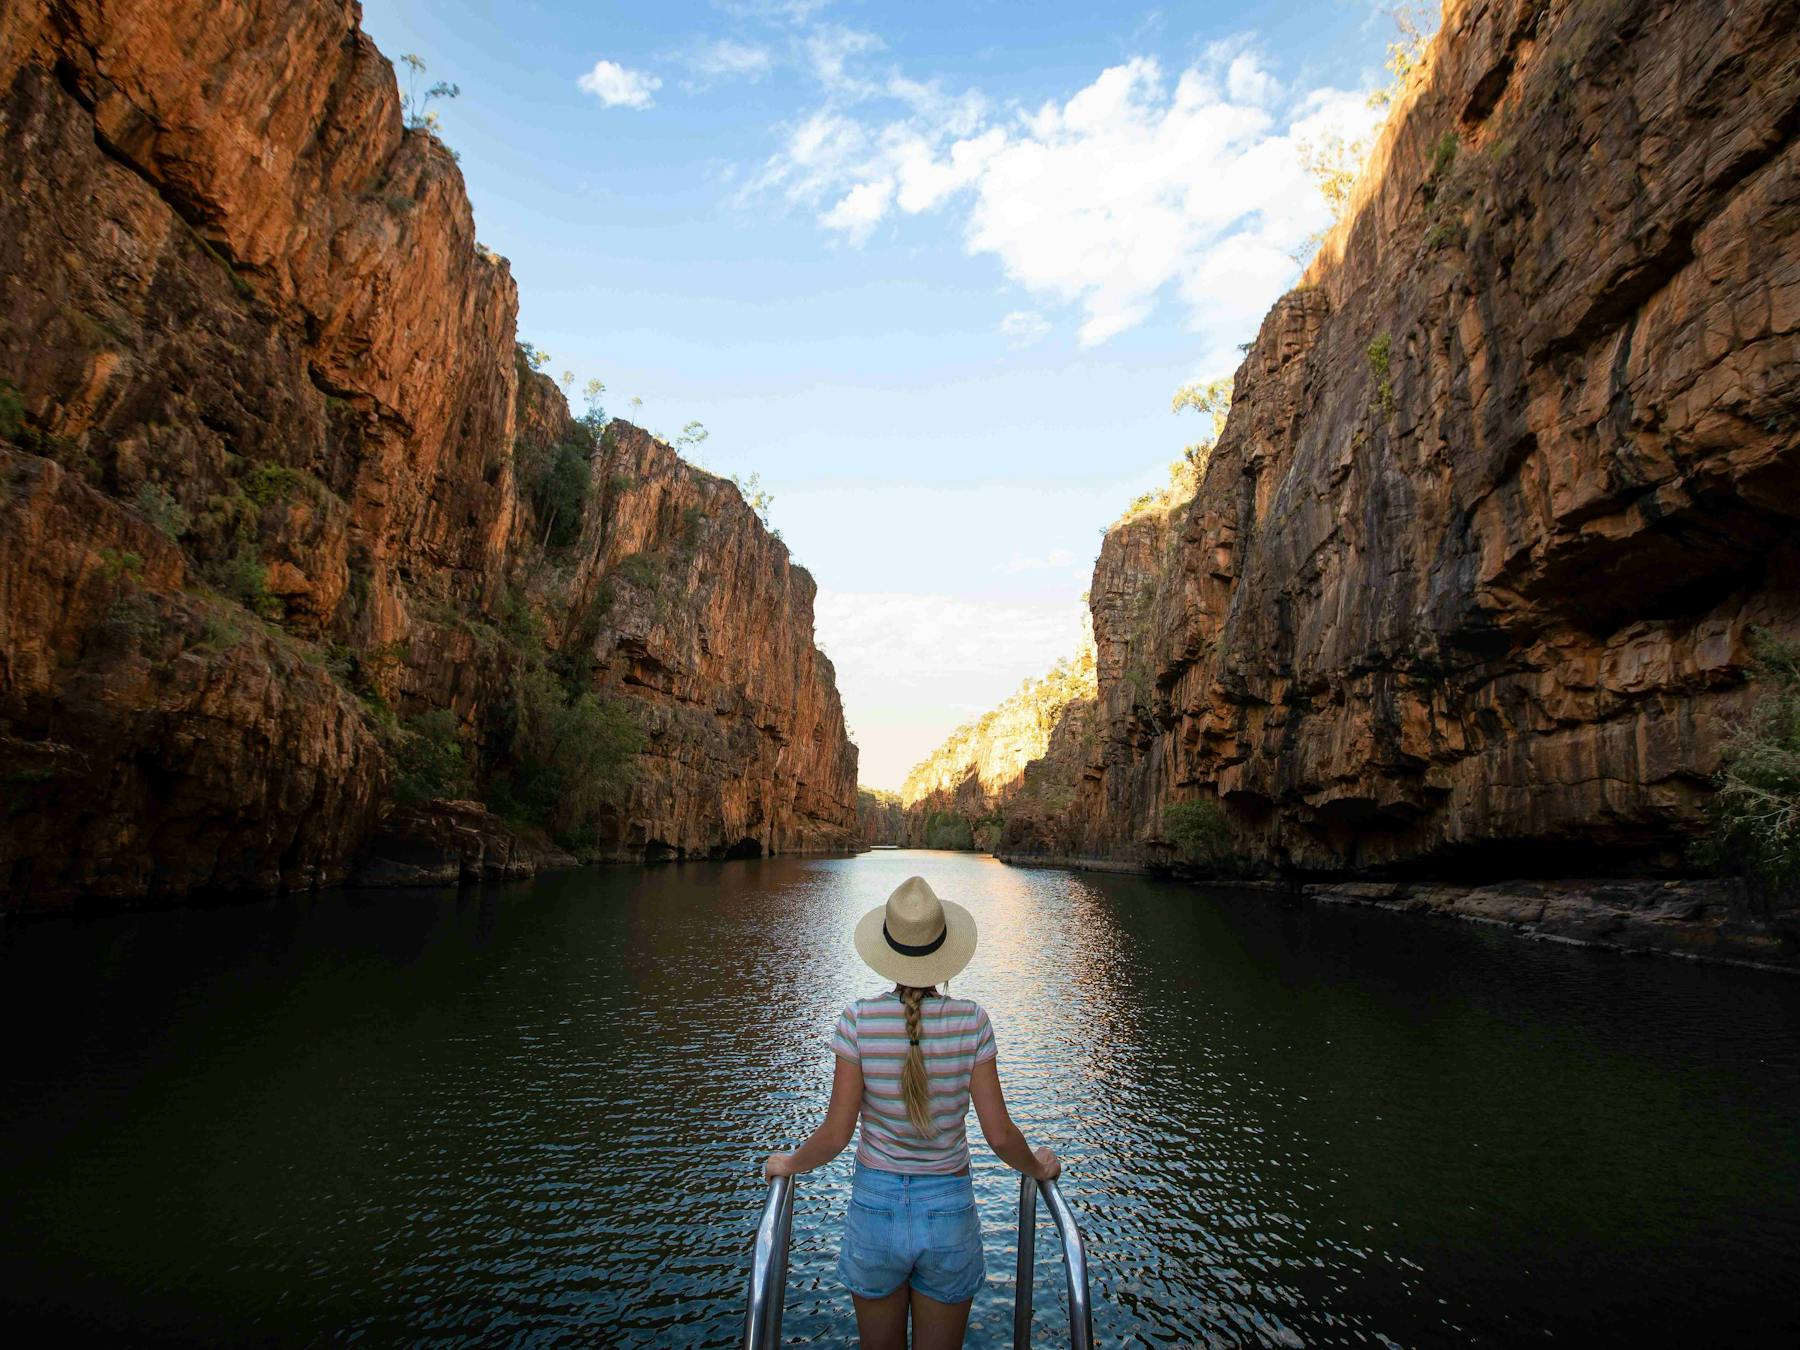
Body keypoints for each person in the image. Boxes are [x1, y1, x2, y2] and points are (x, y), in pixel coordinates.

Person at [763, 876, 1061, 1350]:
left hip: (874, 1211)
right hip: (949, 1212)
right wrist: (1039, 1166)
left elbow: (837, 1133)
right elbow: (1001, 1137)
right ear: (944, 952)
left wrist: (790, 1164)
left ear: (888, 948)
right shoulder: (972, 1022)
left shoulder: (858, 1020)